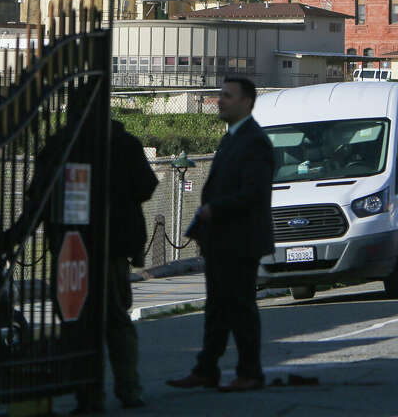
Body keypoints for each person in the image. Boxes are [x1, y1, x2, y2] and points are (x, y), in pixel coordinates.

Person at [166, 76, 274, 393]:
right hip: (222, 241)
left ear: (247, 103)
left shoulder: (254, 141)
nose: (221, 100)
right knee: (217, 307)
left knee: (240, 306)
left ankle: (250, 372)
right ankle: (206, 368)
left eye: (228, 96)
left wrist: (215, 209)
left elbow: (253, 192)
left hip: (241, 240)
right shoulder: (231, 138)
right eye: (220, 95)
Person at [75, 119, 159, 413]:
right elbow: (147, 185)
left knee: (80, 322)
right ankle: (128, 389)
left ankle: (87, 395)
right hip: (113, 244)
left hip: (73, 246)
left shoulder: (71, 141)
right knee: (116, 319)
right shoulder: (124, 143)